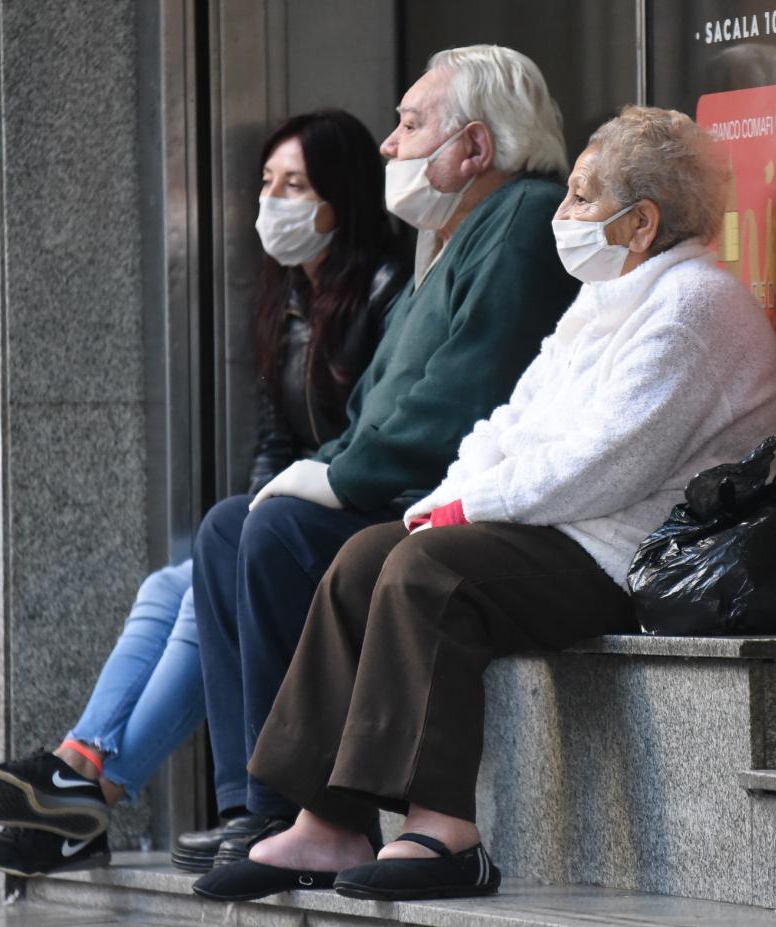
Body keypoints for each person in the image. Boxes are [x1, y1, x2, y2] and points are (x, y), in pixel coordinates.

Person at [191, 105, 776, 903]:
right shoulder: (607, 296)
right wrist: (444, 500)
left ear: (642, 221)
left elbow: (601, 468)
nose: (564, 213)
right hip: (562, 533)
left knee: (427, 572)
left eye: (583, 197)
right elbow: (510, 422)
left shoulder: (692, 307)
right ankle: (325, 823)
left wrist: (461, 513)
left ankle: (446, 834)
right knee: (365, 557)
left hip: (630, 555)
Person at [0, 109, 408, 878]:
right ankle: (80, 775)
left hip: (366, 512)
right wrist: (267, 507)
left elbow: (376, 436)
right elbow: (276, 442)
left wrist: (271, 514)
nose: (272, 201)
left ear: (342, 196)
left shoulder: (389, 290)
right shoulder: (289, 298)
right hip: (301, 510)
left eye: (294, 184)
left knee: (205, 574)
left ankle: (89, 785)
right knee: (173, 582)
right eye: (266, 182)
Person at [183, 45, 577, 868]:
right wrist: (329, 464)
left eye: (410, 124)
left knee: (280, 532)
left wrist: (335, 476)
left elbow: (464, 396)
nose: (390, 146)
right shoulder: (452, 237)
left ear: (472, 148)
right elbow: (374, 408)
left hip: (443, 501)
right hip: (396, 485)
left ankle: (313, 809)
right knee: (226, 529)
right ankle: (251, 802)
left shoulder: (522, 219)